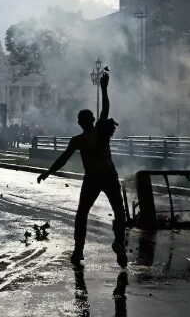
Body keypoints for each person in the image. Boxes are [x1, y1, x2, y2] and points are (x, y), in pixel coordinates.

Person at [37, 72, 127, 268]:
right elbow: (106, 108)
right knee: (119, 212)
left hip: (93, 178)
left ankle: (78, 250)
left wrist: (48, 172)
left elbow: (63, 159)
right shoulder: (101, 131)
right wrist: (104, 88)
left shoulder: (77, 140)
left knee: (82, 214)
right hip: (109, 175)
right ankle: (119, 242)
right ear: (93, 120)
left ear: (79, 123)